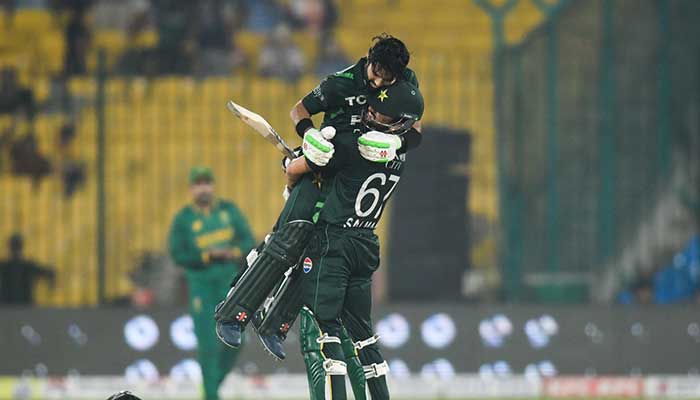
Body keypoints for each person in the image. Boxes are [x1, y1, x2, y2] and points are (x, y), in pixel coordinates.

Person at [214, 34, 423, 355]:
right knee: (290, 237)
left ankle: (275, 324)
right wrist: (309, 138)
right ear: (369, 60)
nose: (379, 82)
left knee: (323, 246)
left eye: (387, 78)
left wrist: (397, 143)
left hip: (356, 166)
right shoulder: (341, 82)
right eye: (376, 73)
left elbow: (414, 128)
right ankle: (233, 314)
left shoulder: (405, 82)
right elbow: (299, 110)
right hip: (326, 154)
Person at [285, 80, 424, 400]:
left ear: (400, 121)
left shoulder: (351, 147)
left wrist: (289, 166)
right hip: (365, 242)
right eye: (372, 107)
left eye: (382, 114)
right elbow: (414, 133)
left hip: (334, 244)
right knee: (364, 339)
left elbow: (300, 170)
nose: (372, 113)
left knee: (325, 334)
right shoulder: (398, 155)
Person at [167, 166, 255, 400]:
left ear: (213, 186)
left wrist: (233, 252)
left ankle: (210, 386)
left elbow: (248, 240)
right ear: (191, 189)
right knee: (207, 345)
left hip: (229, 284)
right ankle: (211, 395)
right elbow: (177, 254)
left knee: (237, 338)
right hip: (201, 286)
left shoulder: (228, 211)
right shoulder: (184, 219)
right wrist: (207, 256)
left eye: (207, 182)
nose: (203, 187)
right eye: (198, 183)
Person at [0, 233, 55, 305]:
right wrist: (51, 285)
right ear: (21, 246)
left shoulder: (4, 266)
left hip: (8, 308)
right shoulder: (29, 266)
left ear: (9, 247)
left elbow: (50, 273)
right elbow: (50, 273)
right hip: (24, 308)